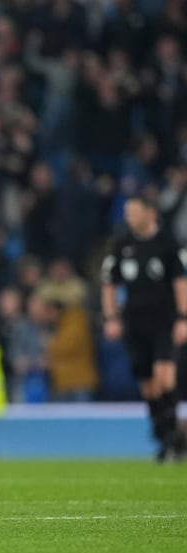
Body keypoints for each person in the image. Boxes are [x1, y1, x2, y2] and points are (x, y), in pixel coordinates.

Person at [101, 195, 187, 462]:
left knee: (165, 377)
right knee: (148, 385)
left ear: (151, 213)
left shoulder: (168, 244)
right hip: (134, 324)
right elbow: (109, 284)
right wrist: (111, 317)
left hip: (163, 321)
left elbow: (180, 282)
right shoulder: (121, 245)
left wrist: (183, 317)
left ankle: (172, 436)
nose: (129, 218)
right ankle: (165, 436)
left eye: (134, 212)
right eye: (127, 213)